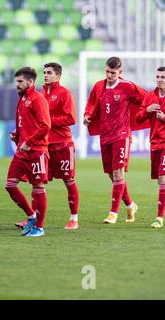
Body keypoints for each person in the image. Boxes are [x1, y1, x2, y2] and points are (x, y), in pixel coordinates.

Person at [16, 62, 80, 230]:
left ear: (58, 76)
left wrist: (48, 122)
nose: (45, 75)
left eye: (49, 72)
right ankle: (32, 218)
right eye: (44, 72)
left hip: (62, 144)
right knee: (36, 182)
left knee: (68, 180)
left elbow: (71, 118)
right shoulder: (39, 94)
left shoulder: (64, 93)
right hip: (43, 146)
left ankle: (74, 218)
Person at [84, 57, 147, 224]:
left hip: (122, 134)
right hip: (105, 136)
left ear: (120, 72)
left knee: (119, 173)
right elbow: (91, 103)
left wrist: (152, 109)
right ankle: (130, 205)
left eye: (113, 73)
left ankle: (113, 213)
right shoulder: (99, 85)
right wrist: (87, 115)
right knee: (112, 175)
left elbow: (146, 99)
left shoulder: (127, 87)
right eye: (107, 72)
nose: (109, 75)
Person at [6, 67, 51, 238]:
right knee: (10, 185)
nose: (16, 85)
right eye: (16, 82)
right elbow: (22, 121)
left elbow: (45, 125)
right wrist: (17, 135)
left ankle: (39, 227)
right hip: (22, 151)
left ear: (30, 82)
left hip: (36, 151)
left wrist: (29, 141)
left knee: (38, 187)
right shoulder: (22, 98)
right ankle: (32, 216)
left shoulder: (38, 99)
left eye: (20, 82)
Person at [136, 66, 165, 228]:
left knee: (163, 179)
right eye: (158, 76)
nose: (160, 79)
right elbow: (138, 118)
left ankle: (159, 218)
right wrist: (147, 110)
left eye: (163, 77)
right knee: (159, 180)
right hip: (154, 144)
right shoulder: (150, 96)